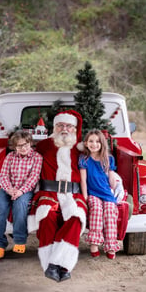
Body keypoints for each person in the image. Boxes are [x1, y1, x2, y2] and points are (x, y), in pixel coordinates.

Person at [28, 110, 87, 282]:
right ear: (54, 127)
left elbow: (100, 164)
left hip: (74, 194)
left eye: (69, 126)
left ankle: (57, 265)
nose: (64, 129)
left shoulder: (82, 148)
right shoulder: (43, 145)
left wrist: (113, 175)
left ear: (74, 129)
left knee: (76, 218)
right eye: (60, 125)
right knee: (46, 217)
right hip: (49, 192)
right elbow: (28, 162)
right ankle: (53, 266)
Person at [0, 130, 43, 259]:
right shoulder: (10, 157)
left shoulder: (37, 157)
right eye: (19, 146)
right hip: (8, 188)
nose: (23, 148)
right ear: (14, 147)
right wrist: (9, 190)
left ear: (30, 143)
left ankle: (19, 240)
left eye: (26, 144)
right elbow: (3, 175)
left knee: (20, 206)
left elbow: (34, 178)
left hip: (26, 189)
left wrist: (20, 191)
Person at [78, 129, 120, 259]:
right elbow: (83, 180)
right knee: (96, 209)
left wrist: (112, 177)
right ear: (86, 143)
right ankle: (94, 243)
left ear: (102, 144)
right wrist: (85, 196)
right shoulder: (84, 159)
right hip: (93, 193)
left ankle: (111, 245)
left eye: (97, 141)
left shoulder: (108, 159)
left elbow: (112, 180)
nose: (94, 144)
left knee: (109, 211)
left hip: (106, 193)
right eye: (91, 141)